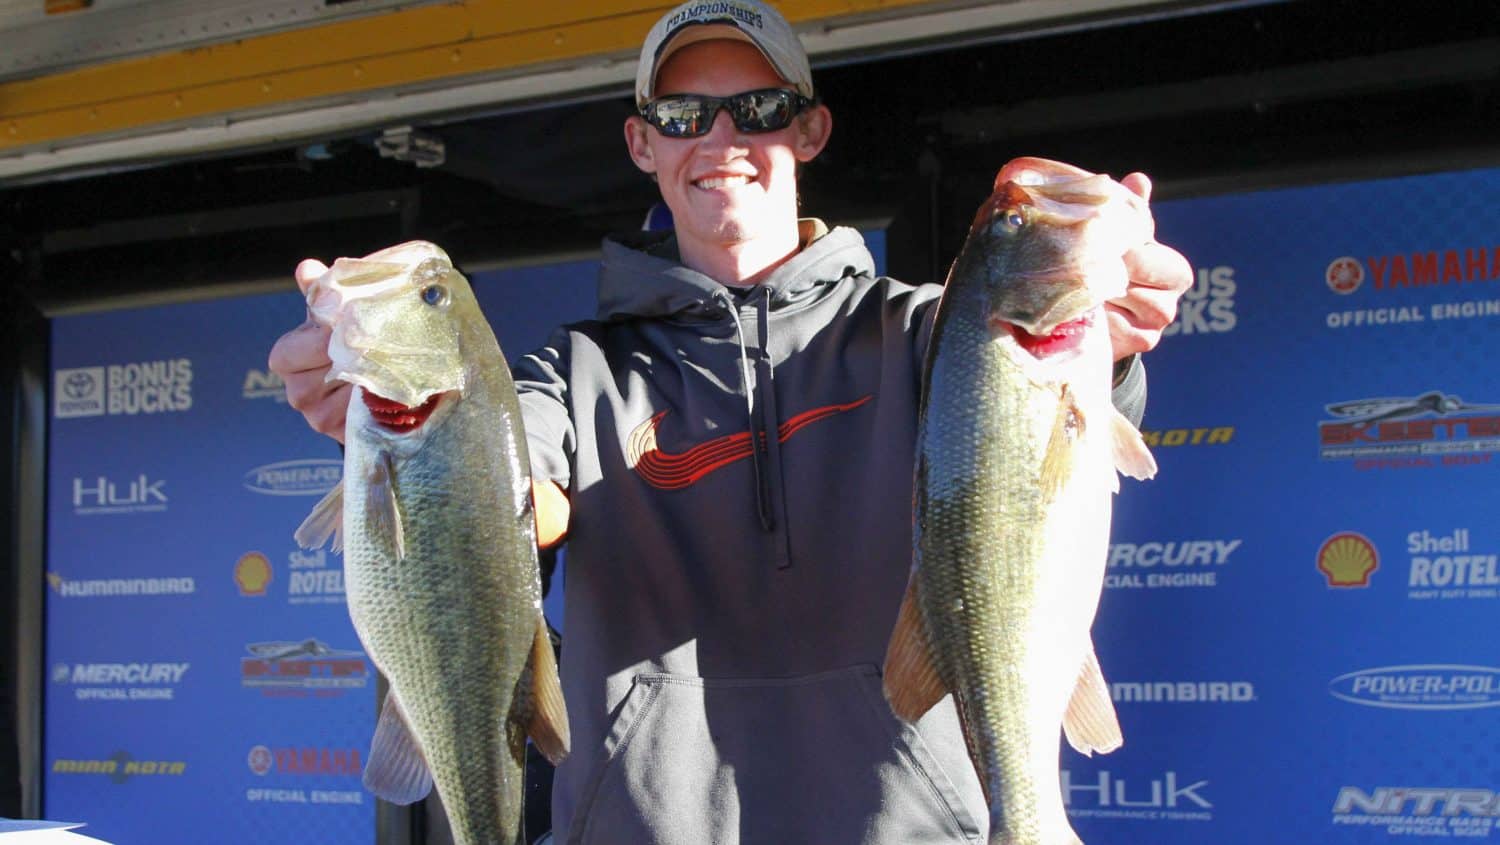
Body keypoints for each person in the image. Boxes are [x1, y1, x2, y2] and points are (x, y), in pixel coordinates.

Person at [269, 1, 1193, 842]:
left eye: (754, 109)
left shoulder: (929, 331)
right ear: (642, 143)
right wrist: (398, 430)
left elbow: (1039, 430)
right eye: (681, 115)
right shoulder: (571, 369)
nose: (720, 138)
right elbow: (522, 500)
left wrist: (1109, 345)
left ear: (809, 128)